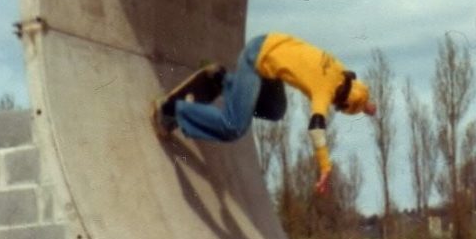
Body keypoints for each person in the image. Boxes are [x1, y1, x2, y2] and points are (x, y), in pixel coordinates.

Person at [155, 33, 377, 196]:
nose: (332, 106)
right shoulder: (325, 90)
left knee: (275, 110)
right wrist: (325, 166)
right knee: (233, 126)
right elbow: (316, 127)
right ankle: (172, 109)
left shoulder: (340, 72)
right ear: (338, 100)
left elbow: (358, 95)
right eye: (336, 106)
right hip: (256, 60)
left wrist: (366, 105)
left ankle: (223, 81)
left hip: (270, 50)